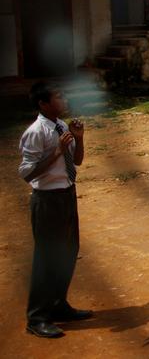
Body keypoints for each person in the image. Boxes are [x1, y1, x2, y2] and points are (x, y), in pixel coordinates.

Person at [18, 82, 92, 338]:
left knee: (69, 251)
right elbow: (27, 173)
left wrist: (79, 140)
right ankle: (37, 317)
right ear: (43, 103)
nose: (64, 99)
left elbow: (77, 160)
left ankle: (58, 304)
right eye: (58, 96)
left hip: (67, 194)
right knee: (46, 258)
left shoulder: (61, 126)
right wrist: (57, 152)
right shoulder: (36, 132)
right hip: (47, 199)